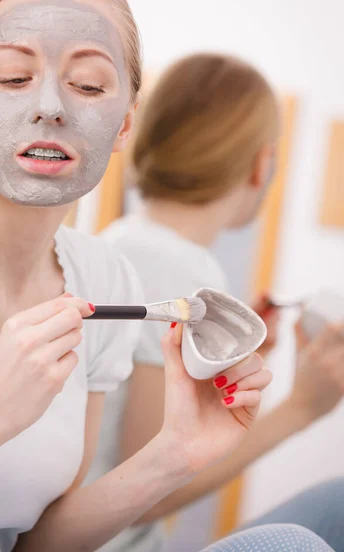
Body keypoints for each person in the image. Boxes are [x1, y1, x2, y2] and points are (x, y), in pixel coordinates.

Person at [0, 0, 313, 552]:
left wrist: (175, 453)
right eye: (14, 77)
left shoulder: (103, 276)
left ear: (123, 125)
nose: (51, 106)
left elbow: (37, 545)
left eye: (89, 86)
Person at [84, 53, 344, 552]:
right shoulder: (185, 268)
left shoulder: (124, 239)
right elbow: (149, 493)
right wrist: (301, 409)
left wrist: (227, 362)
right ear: (261, 165)